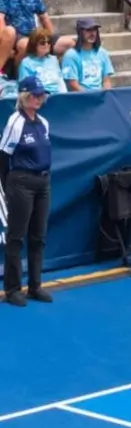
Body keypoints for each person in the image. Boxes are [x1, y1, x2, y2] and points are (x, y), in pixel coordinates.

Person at [1, 75, 53, 306]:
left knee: (38, 236)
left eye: (41, 94)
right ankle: (13, 289)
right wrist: (7, 185)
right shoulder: (15, 122)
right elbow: (4, 155)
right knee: (16, 236)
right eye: (35, 94)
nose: (39, 98)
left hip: (43, 182)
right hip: (20, 182)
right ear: (24, 96)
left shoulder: (43, 123)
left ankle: (35, 286)